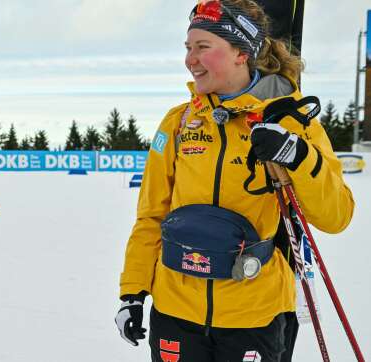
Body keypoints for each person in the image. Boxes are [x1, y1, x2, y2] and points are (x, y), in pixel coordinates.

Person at [114, 0, 354, 361]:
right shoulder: (178, 123)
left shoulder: (291, 121)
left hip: (254, 314)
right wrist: (133, 293)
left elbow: (336, 217)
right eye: (188, 47)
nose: (190, 59)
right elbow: (151, 215)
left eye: (202, 47)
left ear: (241, 53)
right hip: (175, 311)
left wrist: (298, 156)